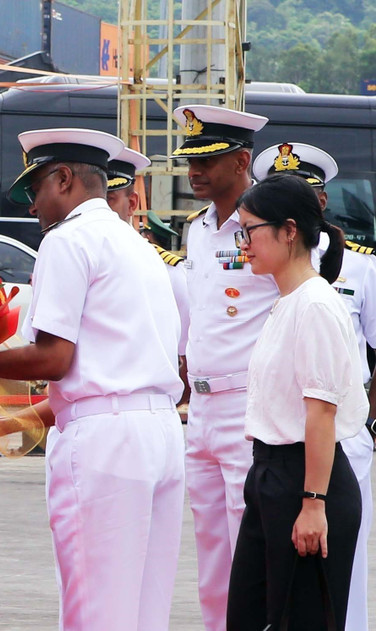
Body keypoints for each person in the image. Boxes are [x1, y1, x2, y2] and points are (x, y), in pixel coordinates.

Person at [0, 128, 185, 631]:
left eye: (36, 190)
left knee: (96, 611)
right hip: (158, 435)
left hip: (106, 445)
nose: (32, 208)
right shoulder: (135, 244)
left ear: (65, 179)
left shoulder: (69, 239)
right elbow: (94, 377)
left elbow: (53, 361)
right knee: (142, 611)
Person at [226, 173, 366, 629]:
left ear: (289, 231)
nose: (243, 243)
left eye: (249, 230)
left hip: (304, 480)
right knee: (250, 615)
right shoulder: (288, 301)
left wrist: (312, 504)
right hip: (270, 474)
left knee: (301, 618)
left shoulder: (315, 305)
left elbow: (321, 413)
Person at [172, 104, 272, 631]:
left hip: (249, 405)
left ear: (242, 161)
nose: (195, 172)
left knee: (248, 546)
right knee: (212, 555)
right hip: (203, 408)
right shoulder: (198, 230)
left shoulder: (267, 226)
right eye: (190, 161)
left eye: (207, 162)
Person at [106, 148, 190, 389]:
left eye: (109, 200)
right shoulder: (75, 260)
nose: (100, 210)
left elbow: (184, 357)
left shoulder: (169, 271)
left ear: (132, 203)